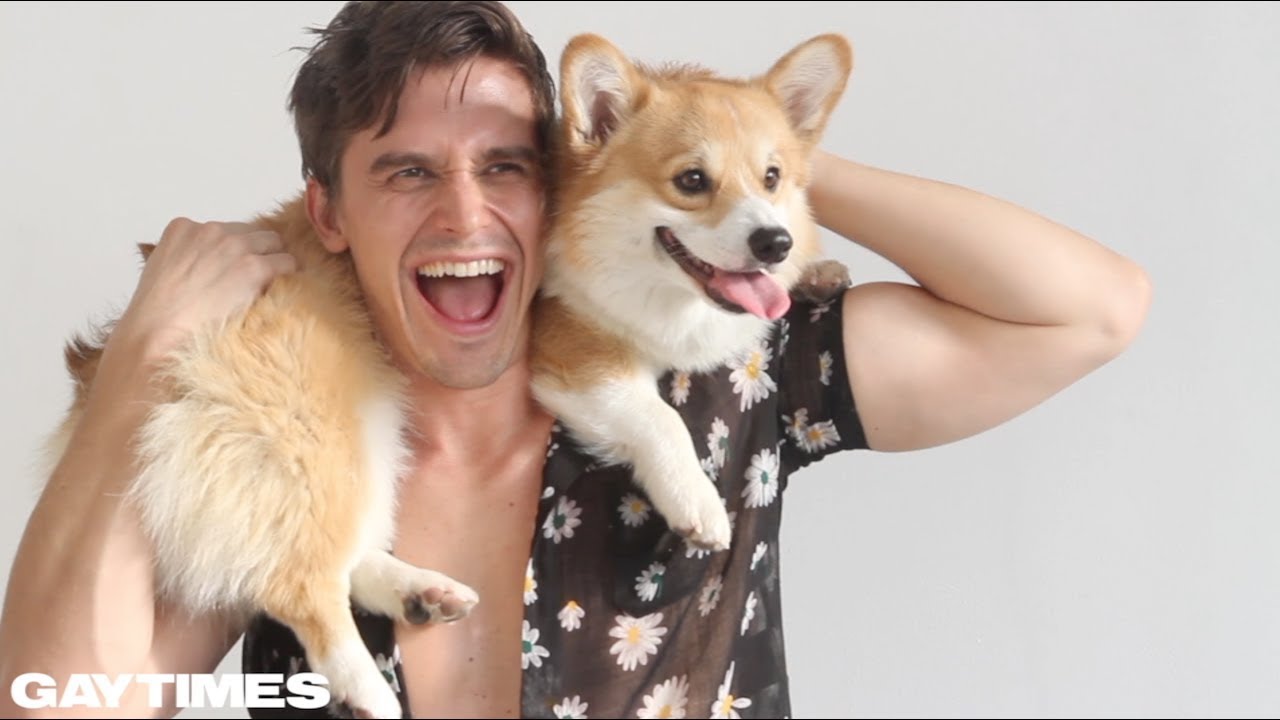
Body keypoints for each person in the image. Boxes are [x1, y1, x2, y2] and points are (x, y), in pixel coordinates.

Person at [0, 1, 1152, 718]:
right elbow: (53, 705)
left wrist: (753, 140)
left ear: (564, 179)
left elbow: (1089, 311)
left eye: (505, 167)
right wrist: (142, 362)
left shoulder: (732, 386)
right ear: (330, 213)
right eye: (408, 172)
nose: (464, 214)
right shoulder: (251, 436)